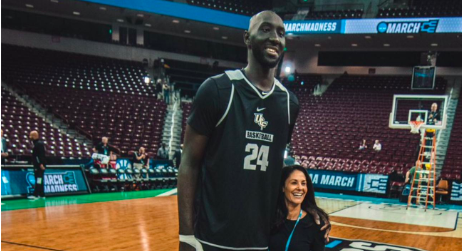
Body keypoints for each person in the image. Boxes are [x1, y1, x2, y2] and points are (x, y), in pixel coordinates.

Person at [178, 11, 329, 251]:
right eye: (266, 30)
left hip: (262, 239)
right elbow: (189, 163)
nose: (275, 38)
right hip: (211, 237)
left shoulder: (289, 103)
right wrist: (186, 235)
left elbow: (277, 165)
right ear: (247, 38)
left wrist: (308, 207)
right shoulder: (217, 90)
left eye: (281, 33)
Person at [270, 165, 328, 251]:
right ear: (283, 187)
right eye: (294, 183)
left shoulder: (316, 224)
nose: (300, 188)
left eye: (303, 183)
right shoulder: (269, 218)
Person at [28, 131, 47, 200]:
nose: (29, 137)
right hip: (38, 165)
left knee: (38, 179)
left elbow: (40, 155)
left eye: (31, 135)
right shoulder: (36, 144)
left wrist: (41, 164)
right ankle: (42, 194)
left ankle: (36, 194)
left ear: (34, 136)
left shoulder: (38, 144)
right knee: (40, 179)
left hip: (39, 166)